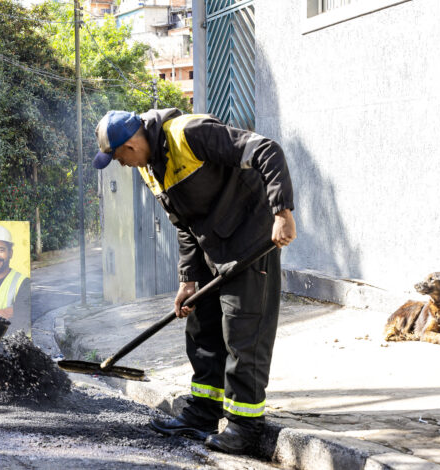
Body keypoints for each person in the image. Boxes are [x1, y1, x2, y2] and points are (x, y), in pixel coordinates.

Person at [92, 109, 296, 455]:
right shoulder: (149, 167)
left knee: (243, 332)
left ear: (130, 144)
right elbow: (183, 224)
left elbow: (267, 150)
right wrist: (188, 280)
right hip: (210, 248)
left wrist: (281, 211)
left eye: (118, 157)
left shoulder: (190, 133)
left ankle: (245, 425)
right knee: (202, 329)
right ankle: (202, 413)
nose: (122, 165)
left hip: (250, 238)